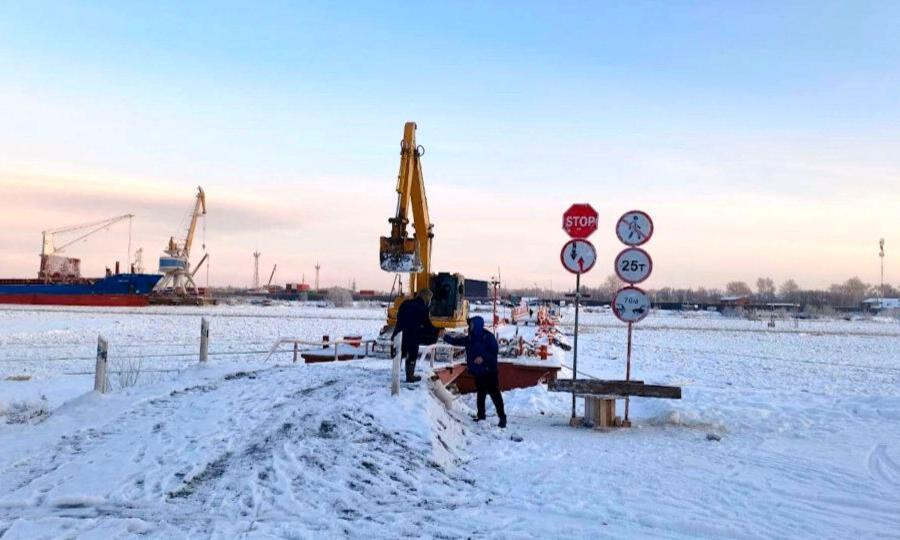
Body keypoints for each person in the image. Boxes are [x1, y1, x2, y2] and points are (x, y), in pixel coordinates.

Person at [444, 316, 507, 428]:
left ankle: (502, 418)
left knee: (495, 395)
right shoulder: (470, 338)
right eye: (470, 324)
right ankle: (481, 417)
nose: (470, 326)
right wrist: (445, 337)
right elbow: (457, 341)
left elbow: (494, 352)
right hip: (479, 372)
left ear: (477, 325)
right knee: (481, 394)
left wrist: (483, 357)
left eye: (472, 324)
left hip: (490, 371)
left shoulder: (488, 337)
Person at [391, 288, 439, 383]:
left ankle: (395, 377)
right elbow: (427, 325)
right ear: (427, 297)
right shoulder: (423, 308)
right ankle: (410, 376)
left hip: (398, 334)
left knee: (399, 355)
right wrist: (438, 331)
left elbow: (399, 317)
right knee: (411, 355)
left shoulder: (405, 303)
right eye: (430, 298)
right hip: (412, 336)